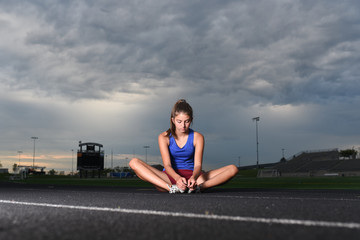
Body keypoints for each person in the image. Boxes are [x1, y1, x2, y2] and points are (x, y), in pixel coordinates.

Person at [129, 99, 238, 193]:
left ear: (191, 120)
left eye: (187, 121)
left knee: (233, 169)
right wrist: (177, 178)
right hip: (170, 177)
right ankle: (171, 188)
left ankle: (199, 188)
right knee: (134, 162)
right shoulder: (164, 137)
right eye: (179, 121)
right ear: (173, 120)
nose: (183, 125)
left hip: (194, 178)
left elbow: (198, 165)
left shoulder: (198, 137)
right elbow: (167, 165)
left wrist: (193, 178)